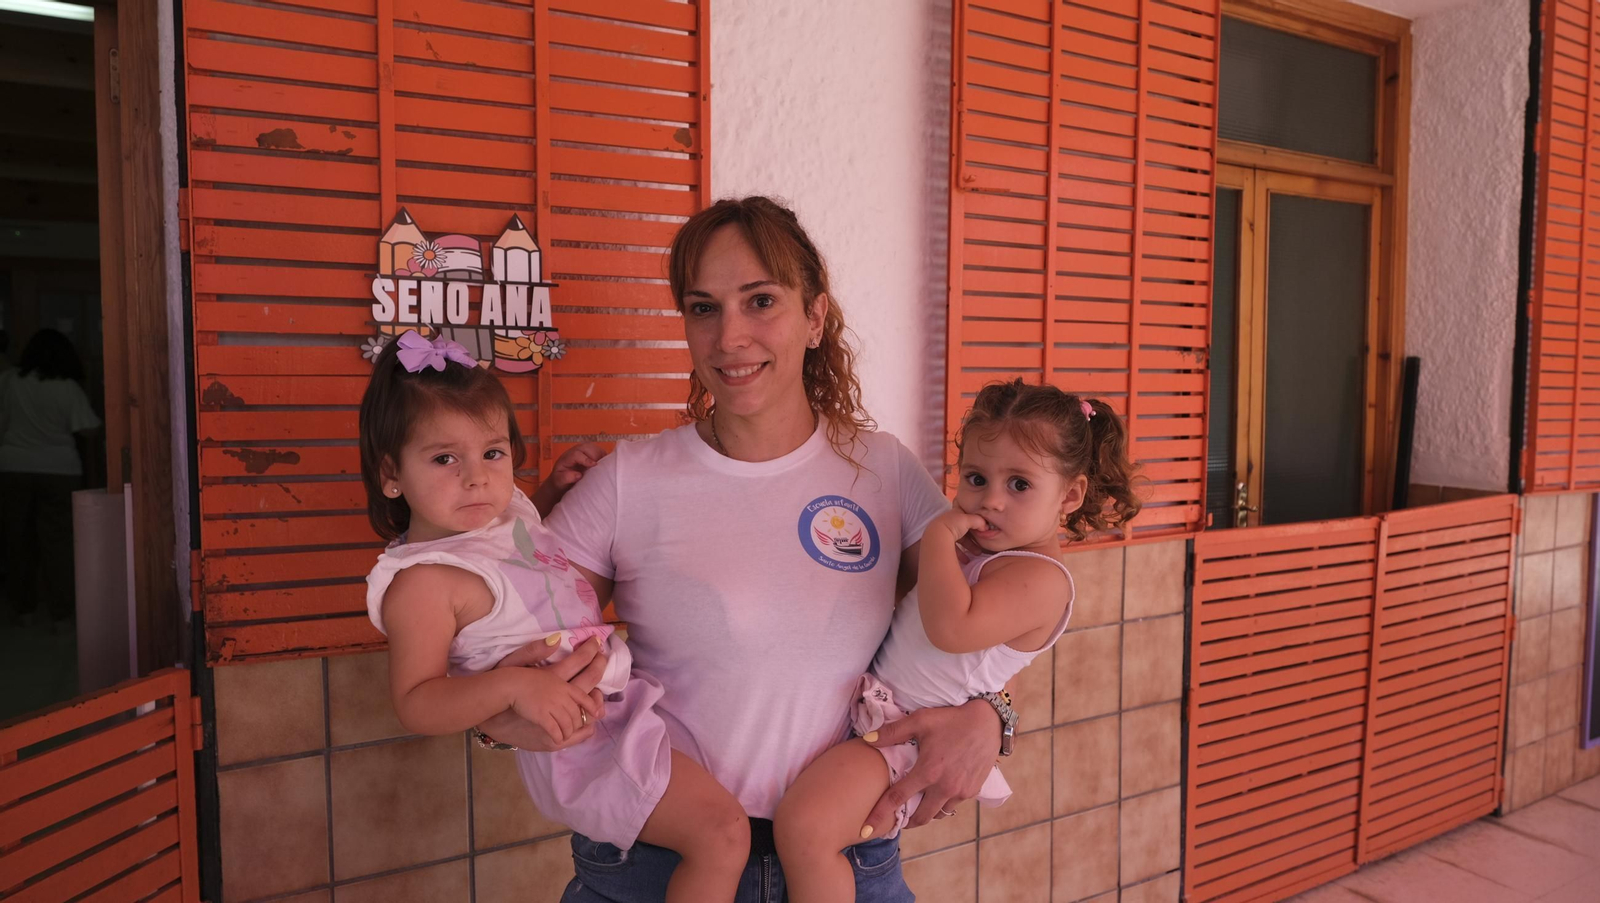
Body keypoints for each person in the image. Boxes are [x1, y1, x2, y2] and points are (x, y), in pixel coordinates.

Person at [475, 196, 1013, 902]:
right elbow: (508, 627)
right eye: (704, 307)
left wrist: (991, 715)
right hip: (658, 867)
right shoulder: (630, 479)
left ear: (815, 316)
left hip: (846, 862)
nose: (730, 336)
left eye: (760, 300)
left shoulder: (882, 471)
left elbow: (984, 614)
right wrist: (497, 717)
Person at [357, 331, 751, 902]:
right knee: (721, 834)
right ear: (391, 472)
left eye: (493, 452)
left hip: (617, 704)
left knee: (723, 819)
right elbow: (416, 701)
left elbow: (516, 548)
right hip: (577, 740)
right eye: (444, 458)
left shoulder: (497, 512)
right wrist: (515, 686)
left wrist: (549, 492)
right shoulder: (423, 583)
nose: (477, 477)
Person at [772, 379, 1141, 900]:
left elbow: (951, 630)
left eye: (1019, 484)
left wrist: (941, 537)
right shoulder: (986, 556)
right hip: (882, 717)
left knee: (806, 829)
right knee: (810, 827)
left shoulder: (1041, 577)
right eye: (975, 477)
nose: (990, 499)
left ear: (1071, 494)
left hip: (905, 736)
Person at [0, 328, 101, 625]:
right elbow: (88, 428)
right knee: (58, 542)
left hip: (13, 466)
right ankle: (62, 614)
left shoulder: (9, 383)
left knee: (17, 540)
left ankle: (24, 608)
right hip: (59, 469)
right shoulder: (66, 387)